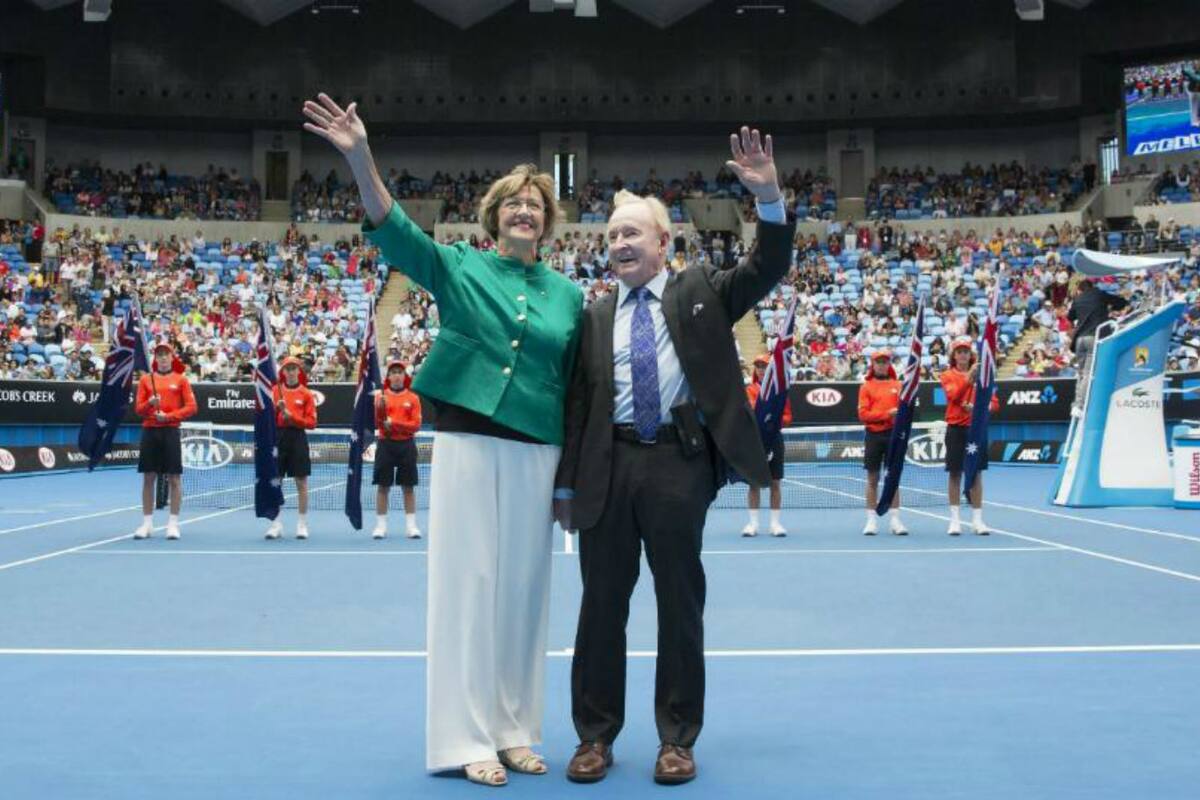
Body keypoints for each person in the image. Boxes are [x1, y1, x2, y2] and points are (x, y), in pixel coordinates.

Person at [303, 92, 582, 786]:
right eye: (514, 204)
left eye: (536, 206)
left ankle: (515, 728)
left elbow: (577, 389)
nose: (525, 212)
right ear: (494, 216)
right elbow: (392, 229)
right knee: (468, 586)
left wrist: (571, 477)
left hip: (539, 450)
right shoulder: (460, 267)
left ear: (548, 224)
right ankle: (466, 738)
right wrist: (358, 155)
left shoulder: (569, 297)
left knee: (525, 591)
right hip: (466, 443)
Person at [555, 127, 794, 785]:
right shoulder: (593, 315)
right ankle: (595, 737)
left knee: (678, 603)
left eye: (634, 233)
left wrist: (768, 196)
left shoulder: (703, 293)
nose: (621, 243)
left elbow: (769, 265)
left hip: (677, 467)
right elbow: (578, 407)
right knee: (600, 605)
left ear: (664, 244)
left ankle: (676, 739)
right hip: (608, 466)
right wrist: (567, 485)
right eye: (611, 235)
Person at [132, 342, 197, 540]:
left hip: (170, 431)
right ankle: (147, 524)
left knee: (174, 478)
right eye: (159, 354)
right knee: (148, 478)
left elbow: (192, 407)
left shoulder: (181, 380)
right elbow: (138, 409)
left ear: (171, 357)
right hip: (150, 431)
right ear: (155, 358)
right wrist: (150, 404)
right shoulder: (145, 380)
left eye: (166, 354)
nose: (162, 358)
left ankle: (173, 524)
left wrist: (169, 416)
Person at [939, 338, 999, 535]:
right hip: (956, 429)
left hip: (976, 429)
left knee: (976, 474)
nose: (963, 354)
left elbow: (995, 403)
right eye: (959, 351)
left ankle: (977, 520)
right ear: (954, 355)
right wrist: (969, 379)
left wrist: (979, 409)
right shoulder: (947, 375)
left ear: (970, 354)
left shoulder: (985, 376)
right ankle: (955, 520)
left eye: (966, 351)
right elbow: (953, 397)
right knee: (955, 473)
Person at [265, 356, 317, 540]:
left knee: (301, 482)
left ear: (299, 371)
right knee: (276, 481)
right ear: (283, 372)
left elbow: (312, 423)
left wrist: (292, 417)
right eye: (288, 368)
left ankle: (302, 524)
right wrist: (277, 410)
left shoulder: (306, 394)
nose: (291, 371)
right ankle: (275, 524)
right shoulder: (274, 391)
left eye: (294, 368)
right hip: (278, 438)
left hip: (297, 438)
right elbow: (266, 419)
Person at [857, 349, 908, 536]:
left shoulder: (898, 385)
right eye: (878, 362)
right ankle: (871, 521)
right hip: (873, 436)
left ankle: (895, 521)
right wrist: (887, 415)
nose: (882, 364)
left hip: (894, 436)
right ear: (873, 365)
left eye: (885, 361)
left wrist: (898, 416)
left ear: (889, 364)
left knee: (893, 478)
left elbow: (906, 410)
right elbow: (863, 415)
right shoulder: (866, 387)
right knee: (873, 478)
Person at [741, 354, 791, 537]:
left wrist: (774, 422)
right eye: (759, 366)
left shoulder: (780, 392)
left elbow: (787, 416)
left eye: (765, 366)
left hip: (775, 439)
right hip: (755, 441)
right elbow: (749, 414)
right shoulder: (749, 390)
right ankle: (753, 524)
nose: (761, 369)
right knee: (753, 483)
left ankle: (775, 524)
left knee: (775, 482)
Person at [372, 359, 422, 540]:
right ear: (388, 376)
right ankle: (380, 526)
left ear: (404, 375)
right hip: (386, 444)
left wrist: (395, 423)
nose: (397, 376)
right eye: (393, 372)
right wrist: (379, 410)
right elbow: (377, 424)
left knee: (408, 487)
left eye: (400, 372)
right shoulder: (380, 397)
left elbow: (415, 425)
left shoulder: (413, 398)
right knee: (383, 486)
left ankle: (411, 526)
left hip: (406, 445)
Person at [1067, 279, 1130, 410]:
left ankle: (1076, 403)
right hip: (1093, 337)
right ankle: (1080, 405)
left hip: (1080, 340)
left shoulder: (1077, 299)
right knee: (1088, 373)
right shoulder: (1098, 294)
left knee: (1082, 373)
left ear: (1080, 289)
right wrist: (1111, 307)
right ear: (1092, 287)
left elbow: (1070, 317)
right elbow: (1120, 302)